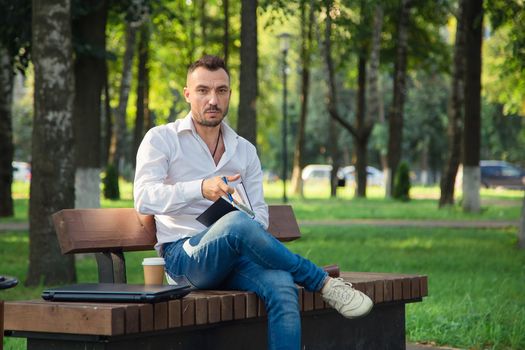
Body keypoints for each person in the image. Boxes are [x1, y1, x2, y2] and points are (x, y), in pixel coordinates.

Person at [134, 55, 373, 350]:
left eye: (221, 90)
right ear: (187, 94)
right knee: (235, 225)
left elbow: (259, 217)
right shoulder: (162, 139)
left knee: (282, 284)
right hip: (184, 258)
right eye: (203, 90)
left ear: (229, 95)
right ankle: (322, 283)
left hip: (234, 256)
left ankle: (313, 282)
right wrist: (200, 188)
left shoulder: (244, 150)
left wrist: (239, 209)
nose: (213, 99)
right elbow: (144, 198)